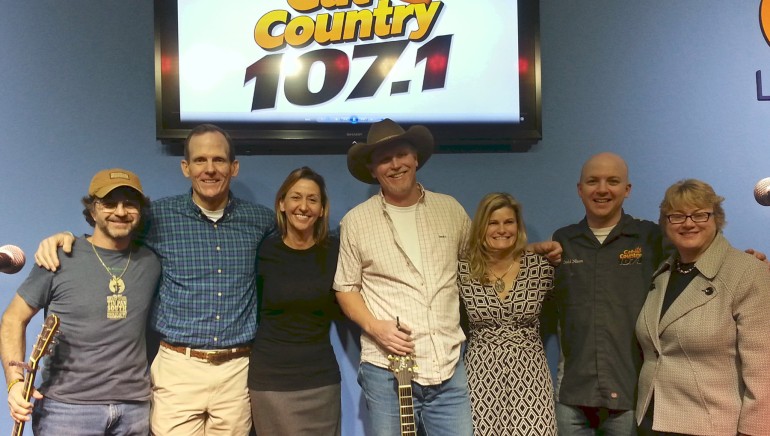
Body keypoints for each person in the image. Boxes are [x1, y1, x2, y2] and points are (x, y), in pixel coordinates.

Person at [33, 124, 275, 435]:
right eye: (200, 160)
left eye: (219, 160)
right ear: (186, 167)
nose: (210, 169)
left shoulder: (261, 221)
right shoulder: (157, 217)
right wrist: (66, 238)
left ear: (234, 167)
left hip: (237, 368)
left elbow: (297, 248)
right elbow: (110, 234)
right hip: (177, 367)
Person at [333, 118, 561, 436]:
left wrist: (531, 249)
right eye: (384, 159)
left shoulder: (450, 210)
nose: (395, 165)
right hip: (387, 367)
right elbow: (345, 288)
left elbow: (482, 257)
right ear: (373, 170)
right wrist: (376, 328)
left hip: (448, 367)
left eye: (401, 155)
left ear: (416, 159)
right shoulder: (356, 221)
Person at [1, 168, 161, 435]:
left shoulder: (151, 262)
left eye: (130, 204)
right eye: (109, 203)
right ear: (92, 210)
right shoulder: (59, 257)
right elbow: (12, 319)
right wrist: (15, 383)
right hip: (66, 410)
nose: (120, 211)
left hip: (134, 407)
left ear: (141, 211)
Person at [542, 152, 668, 436]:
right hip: (573, 393)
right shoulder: (563, 240)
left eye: (612, 181)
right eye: (592, 181)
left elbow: (694, 258)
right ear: (580, 189)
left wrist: (748, 261)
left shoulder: (650, 238)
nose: (602, 189)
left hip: (629, 393)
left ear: (627, 189)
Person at [635, 179, 770, 436]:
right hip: (651, 421)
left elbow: (765, 371)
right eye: (677, 216)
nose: (688, 223)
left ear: (717, 218)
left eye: (700, 214)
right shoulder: (661, 276)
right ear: (666, 224)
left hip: (710, 426)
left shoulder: (748, 272)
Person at [248, 167, 342, 436]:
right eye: (296, 197)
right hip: (271, 379)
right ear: (282, 203)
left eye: (312, 199)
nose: (303, 206)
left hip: (320, 378)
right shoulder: (263, 250)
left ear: (322, 209)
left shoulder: (334, 252)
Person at [458, 192, 557, 435]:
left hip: (530, 373)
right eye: (493, 223)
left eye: (508, 222)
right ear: (481, 227)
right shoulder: (463, 270)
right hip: (481, 374)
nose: (501, 229)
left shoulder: (541, 267)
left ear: (518, 226)